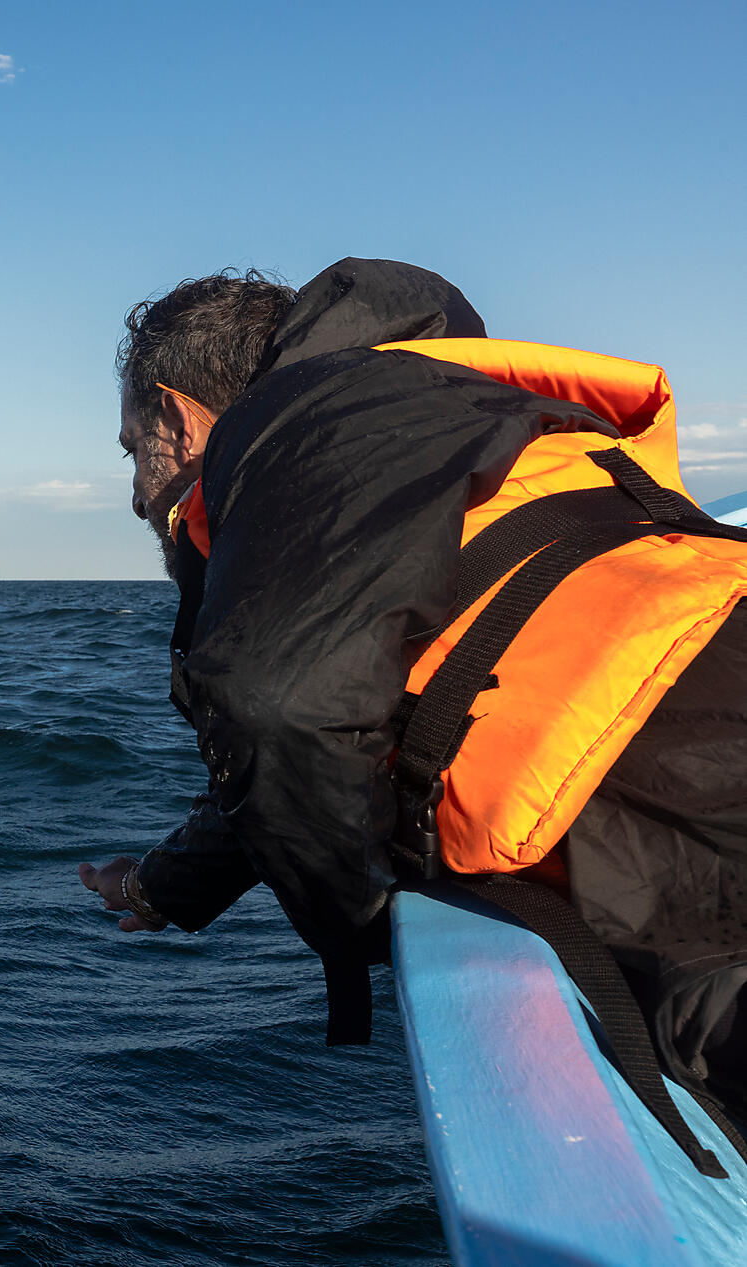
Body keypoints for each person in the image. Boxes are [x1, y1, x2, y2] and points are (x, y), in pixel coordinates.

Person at [78, 258, 747, 1123]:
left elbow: (280, 710)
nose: (138, 498)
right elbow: (344, 725)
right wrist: (164, 885)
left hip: (682, 820)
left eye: (135, 450)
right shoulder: (433, 432)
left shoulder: (299, 456)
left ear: (181, 416)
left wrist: (363, 918)